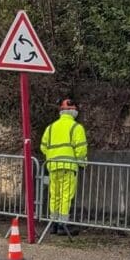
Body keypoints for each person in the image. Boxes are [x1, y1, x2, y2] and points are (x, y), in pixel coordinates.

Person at [39, 99, 88, 232]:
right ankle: (63, 225)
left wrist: (52, 156)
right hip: (68, 166)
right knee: (66, 195)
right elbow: (81, 150)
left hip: (53, 166)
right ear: (73, 112)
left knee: (54, 194)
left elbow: (43, 147)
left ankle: (53, 223)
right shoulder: (76, 128)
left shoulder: (50, 128)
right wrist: (82, 163)